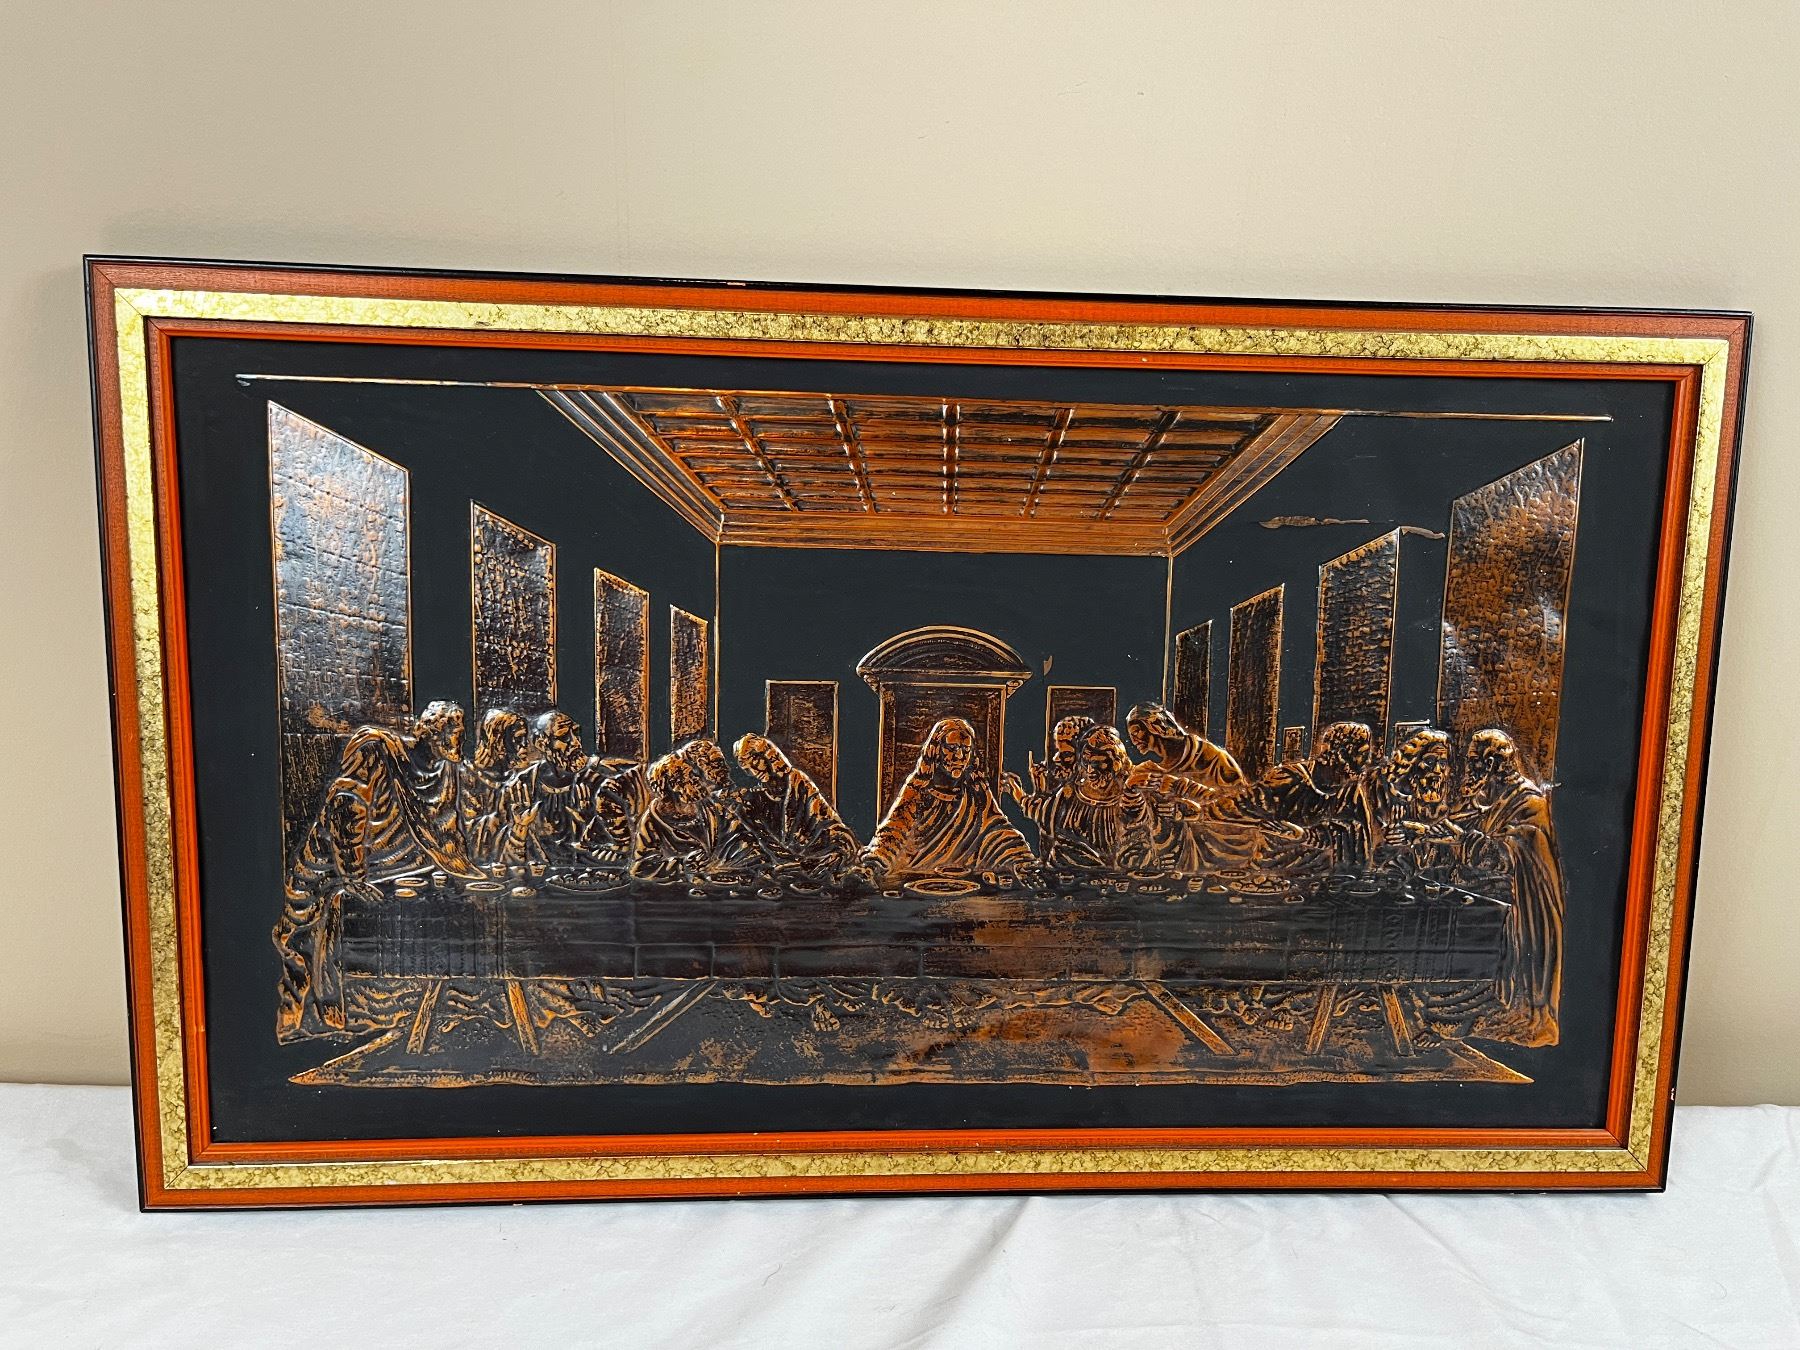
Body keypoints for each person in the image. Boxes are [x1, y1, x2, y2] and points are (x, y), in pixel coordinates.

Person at [274, 700, 480, 1042]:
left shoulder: (446, 773)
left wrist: (467, 873)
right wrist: (353, 875)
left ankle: (362, 1018)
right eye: (455, 730)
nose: (462, 738)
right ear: (432, 732)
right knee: (302, 945)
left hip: (392, 876)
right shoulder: (377, 750)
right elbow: (347, 807)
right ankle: (296, 1025)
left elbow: (447, 831)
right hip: (328, 870)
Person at [1457, 728, 1566, 1047]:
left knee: (1524, 955)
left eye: (1473, 761)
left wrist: (1465, 841)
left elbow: (1514, 851)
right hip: (1506, 902)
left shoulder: (1528, 801)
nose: (1469, 767)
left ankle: (1532, 1017)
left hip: (1530, 903)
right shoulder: (1496, 797)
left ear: (1491, 764)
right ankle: (1506, 1008)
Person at [861, 717, 1035, 884]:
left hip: (968, 881)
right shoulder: (918, 788)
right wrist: (875, 862)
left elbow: (998, 828)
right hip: (917, 877)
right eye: (951, 748)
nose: (959, 756)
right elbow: (894, 830)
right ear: (936, 750)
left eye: (966, 750)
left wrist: (1019, 859)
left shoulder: (976, 789)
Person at [1008, 724, 1156, 872]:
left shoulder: (1131, 796)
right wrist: (1020, 794)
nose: (1090, 770)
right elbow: (1046, 813)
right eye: (1086, 762)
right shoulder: (1073, 792)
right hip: (1064, 873)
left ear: (1115, 763)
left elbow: (1140, 838)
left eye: (1097, 762)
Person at [484, 710, 622, 867]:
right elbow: (500, 860)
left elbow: (620, 850)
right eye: (564, 737)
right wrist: (520, 828)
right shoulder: (521, 787)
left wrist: (591, 824)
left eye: (576, 733)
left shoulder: (596, 783)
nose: (576, 743)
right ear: (541, 744)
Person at [733, 733, 860, 878]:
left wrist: (839, 851)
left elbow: (829, 823)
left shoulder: (798, 783)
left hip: (816, 858)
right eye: (748, 768)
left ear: (768, 756)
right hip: (783, 868)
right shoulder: (754, 799)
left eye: (755, 762)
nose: (755, 772)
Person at [1372, 727, 1460, 872]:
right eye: (1430, 761)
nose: (1437, 770)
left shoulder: (1445, 802)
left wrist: (1422, 833)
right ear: (1411, 764)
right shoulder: (1392, 802)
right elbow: (1380, 849)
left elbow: (1457, 836)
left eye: (1443, 763)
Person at [462, 707, 529, 863]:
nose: (525, 744)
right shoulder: (470, 777)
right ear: (498, 741)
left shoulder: (519, 779)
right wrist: (501, 816)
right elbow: (469, 833)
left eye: (525, 738)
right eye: (518, 739)